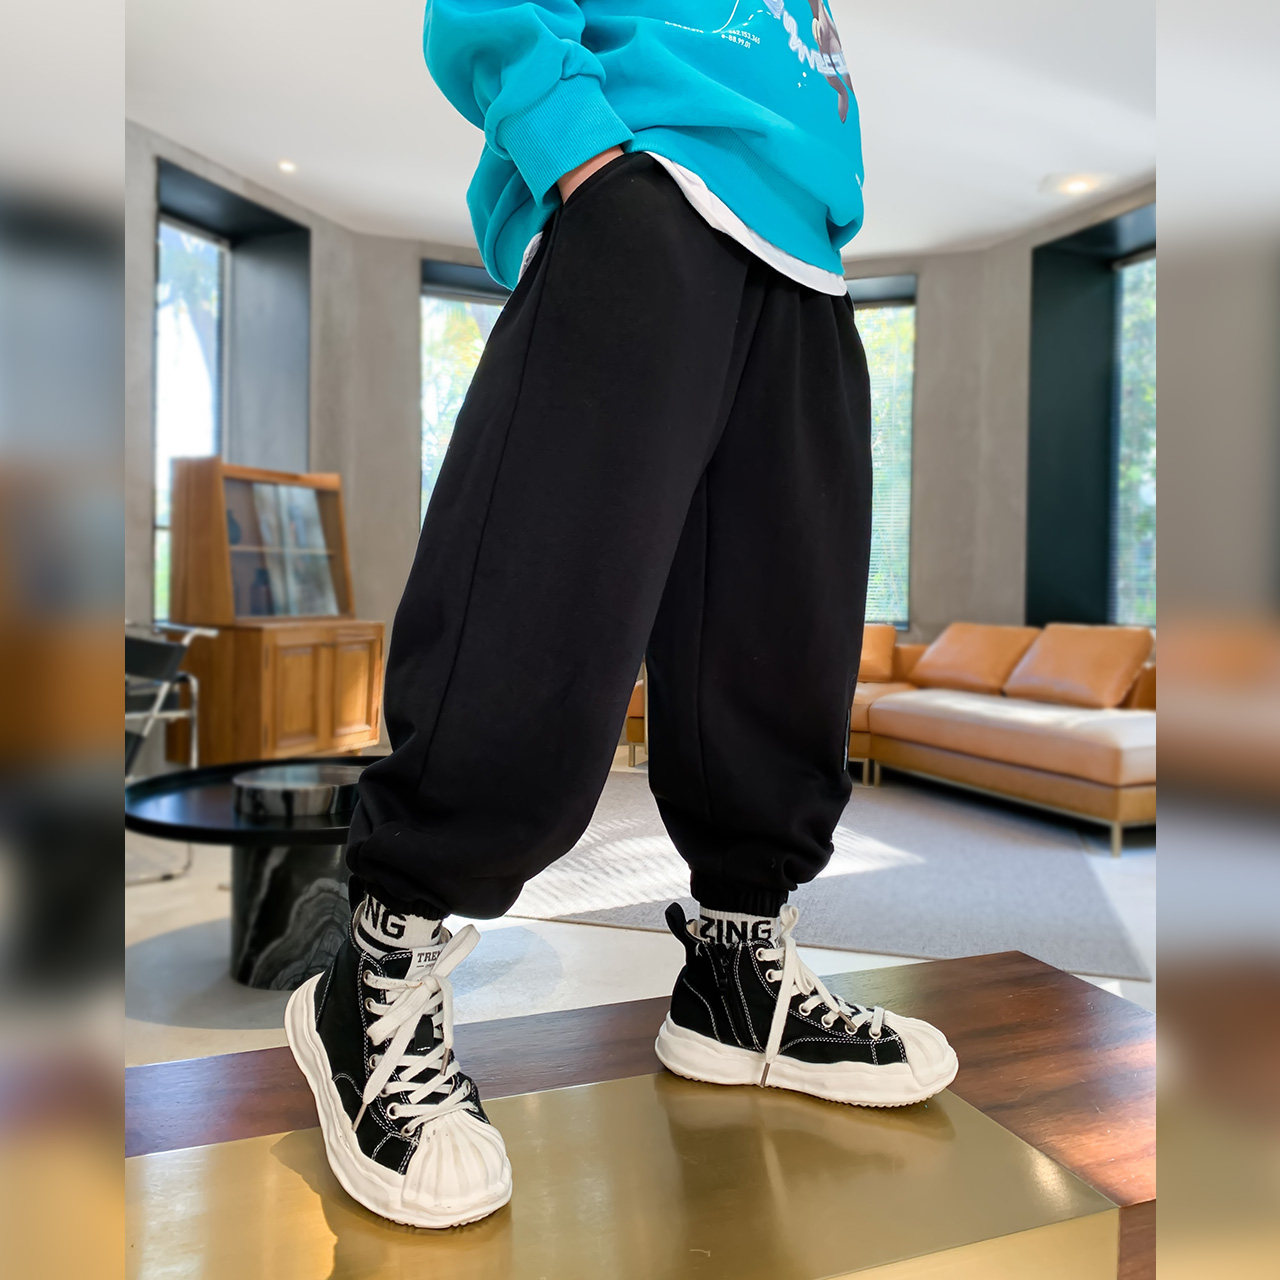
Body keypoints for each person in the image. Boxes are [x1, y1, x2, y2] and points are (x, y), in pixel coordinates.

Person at [285, 0, 956, 1230]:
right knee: (543, 597)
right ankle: (380, 953)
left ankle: (735, 977)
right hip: (648, 182)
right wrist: (586, 157)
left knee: (779, 634)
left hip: (804, 254)